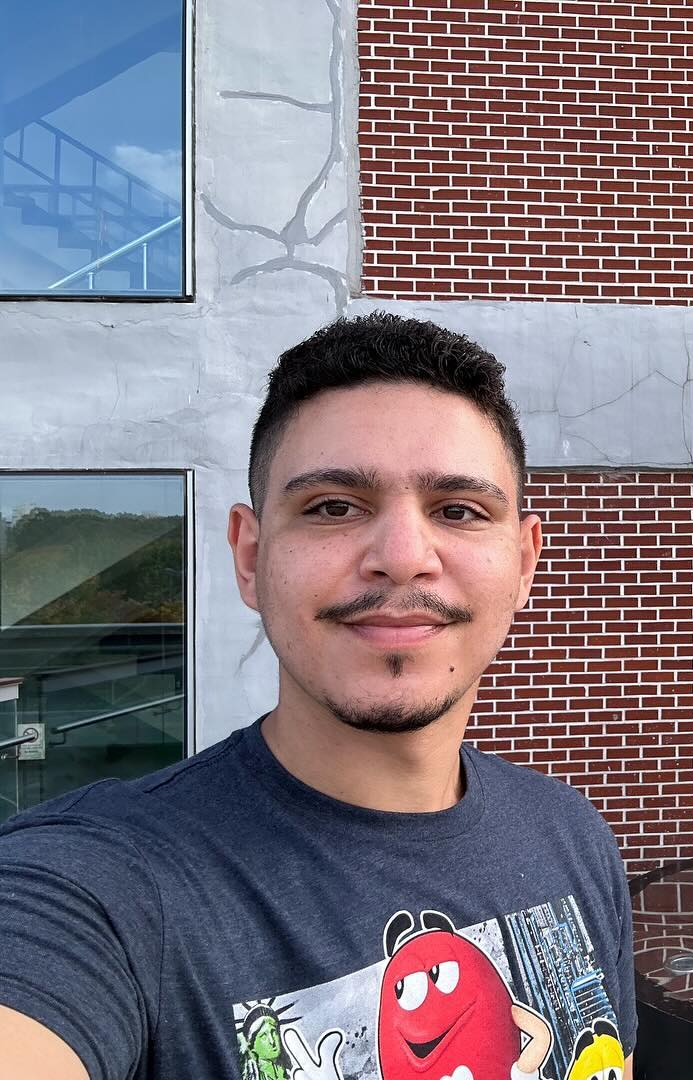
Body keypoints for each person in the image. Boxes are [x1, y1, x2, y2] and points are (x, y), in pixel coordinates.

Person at [0, 314, 636, 1080]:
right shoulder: (100, 888)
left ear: (525, 563)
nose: (403, 558)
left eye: (459, 511)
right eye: (334, 506)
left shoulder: (571, 837)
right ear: (250, 555)